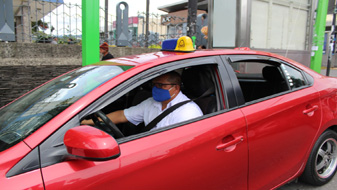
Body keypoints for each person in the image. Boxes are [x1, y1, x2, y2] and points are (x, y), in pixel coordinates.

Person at [82, 71, 203, 131]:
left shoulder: (188, 112)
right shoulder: (151, 103)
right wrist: (89, 122)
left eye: (162, 85)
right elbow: (121, 115)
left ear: (176, 88)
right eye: (155, 85)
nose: (156, 89)